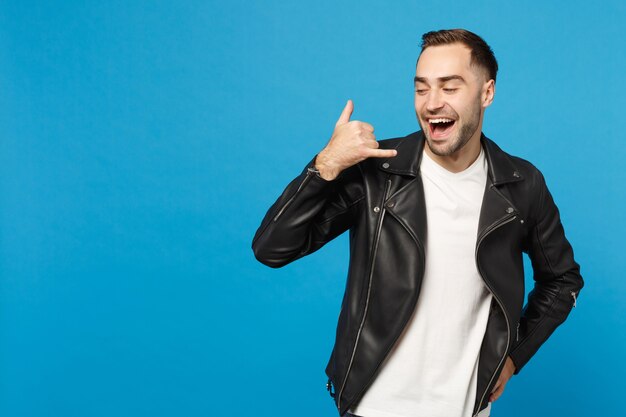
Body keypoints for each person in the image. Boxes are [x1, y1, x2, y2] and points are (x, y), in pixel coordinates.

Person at [251, 29, 583, 417]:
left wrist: (513, 357)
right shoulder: (377, 173)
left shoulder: (521, 185)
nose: (432, 103)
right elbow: (271, 249)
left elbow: (562, 281)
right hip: (371, 408)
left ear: (487, 93)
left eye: (449, 87)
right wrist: (325, 164)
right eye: (421, 88)